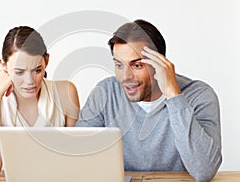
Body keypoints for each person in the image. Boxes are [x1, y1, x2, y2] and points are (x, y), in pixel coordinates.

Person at [75, 20, 222, 182]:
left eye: (137, 65)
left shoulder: (199, 95)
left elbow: (204, 171)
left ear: (161, 64)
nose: (125, 77)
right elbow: (79, 159)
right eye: (119, 65)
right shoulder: (105, 93)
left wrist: (174, 95)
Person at [0, 26, 80, 177]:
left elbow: (77, 159)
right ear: (3, 65)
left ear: (46, 61)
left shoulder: (65, 92)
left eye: (37, 70)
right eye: (19, 72)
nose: (30, 81)